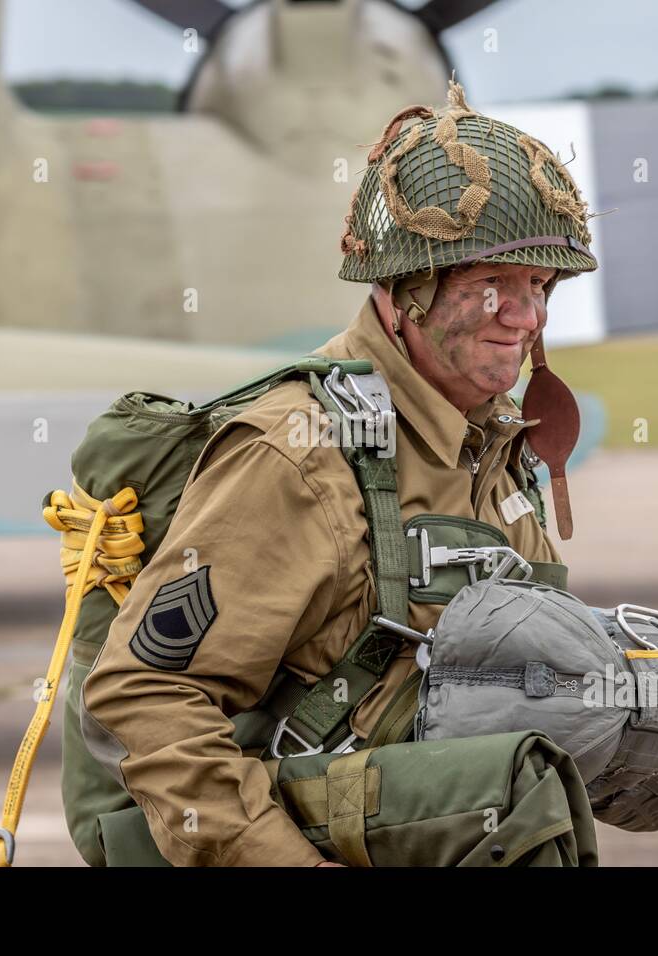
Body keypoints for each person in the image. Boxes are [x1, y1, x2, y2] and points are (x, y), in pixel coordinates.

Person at [80, 80, 597, 867]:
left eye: (537, 287)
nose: (525, 318)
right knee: (519, 792)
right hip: (290, 827)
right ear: (407, 290)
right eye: (491, 284)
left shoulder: (487, 446)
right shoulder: (297, 453)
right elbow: (143, 694)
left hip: (418, 810)